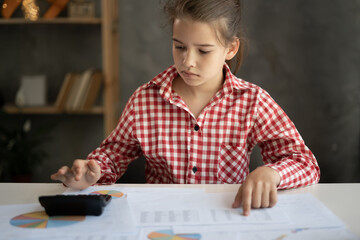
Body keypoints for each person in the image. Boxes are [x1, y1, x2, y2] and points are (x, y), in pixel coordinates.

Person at [51, 0, 320, 216]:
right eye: (179, 46)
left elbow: (306, 164)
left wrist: (271, 172)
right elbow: (112, 156)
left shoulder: (252, 101)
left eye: (203, 51)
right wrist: (91, 172)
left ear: (230, 48)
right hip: (159, 221)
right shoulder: (145, 100)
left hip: (228, 220)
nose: (188, 61)